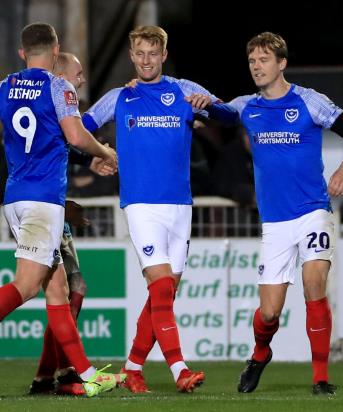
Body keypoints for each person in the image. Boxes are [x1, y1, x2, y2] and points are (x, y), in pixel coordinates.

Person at [0, 22, 123, 398]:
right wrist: (105, 152)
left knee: (57, 289)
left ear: (22, 53)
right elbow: (74, 136)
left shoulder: (1, 87)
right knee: (25, 286)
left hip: (16, 197)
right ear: (56, 50)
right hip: (43, 200)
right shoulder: (59, 87)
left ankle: (85, 374)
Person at [189, 32, 343, 395]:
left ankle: (320, 378)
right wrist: (198, 103)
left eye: (264, 60)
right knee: (269, 313)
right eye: (252, 61)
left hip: (312, 211)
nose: (257, 66)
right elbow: (217, 110)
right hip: (274, 222)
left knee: (314, 284)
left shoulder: (309, 102)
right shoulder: (246, 107)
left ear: (281, 63)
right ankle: (259, 355)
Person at [81, 25, 235, 394]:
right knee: (162, 288)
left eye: (154, 53)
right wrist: (94, 156)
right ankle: (180, 370)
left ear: (164, 55)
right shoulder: (119, 97)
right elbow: (79, 129)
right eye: (140, 53)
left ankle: (133, 368)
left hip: (180, 207)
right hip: (141, 205)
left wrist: (211, 105)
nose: (146, 60)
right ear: (132, 56)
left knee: (161, 296)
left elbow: (231, 117)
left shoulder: (185, 91)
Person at [28, 52, 116, 396]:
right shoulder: (57, 105)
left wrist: (90, 161)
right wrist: (102, 155)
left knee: (69, 291)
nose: (80, 81)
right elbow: (59, 150)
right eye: (78, 74)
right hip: (44, 214)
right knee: (47, 291)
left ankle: (52, 374)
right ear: (60, 75)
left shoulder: (47, 112)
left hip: (51, 212)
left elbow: (61, 151)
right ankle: (62, 373)